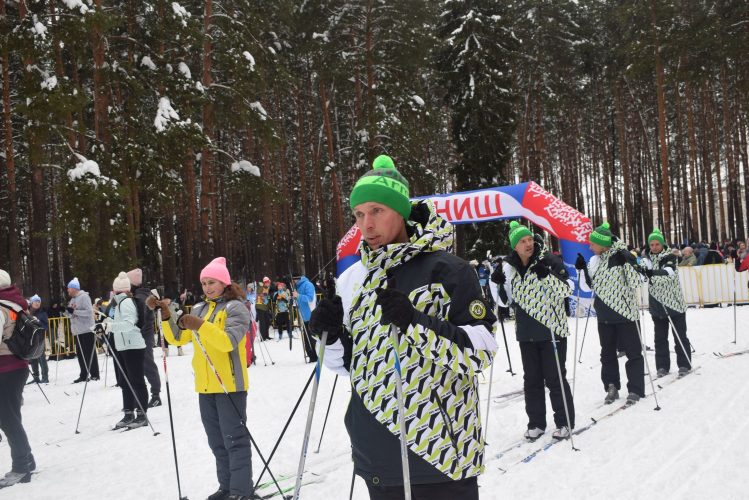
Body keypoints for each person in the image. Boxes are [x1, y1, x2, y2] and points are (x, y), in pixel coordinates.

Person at [309, 155, 497, 500]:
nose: (366, 224)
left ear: (401, 211)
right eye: (359, 214)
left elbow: (481, 351)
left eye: (377, 210)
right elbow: (350, 366)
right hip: (376, 454)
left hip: (440, 455)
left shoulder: (449, 270)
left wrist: (415, 323)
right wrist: (331, 336)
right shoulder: (354, 278)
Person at [151, 257, 254, 500]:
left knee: (234, 440)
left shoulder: (236, 308)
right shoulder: (199, 308)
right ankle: (227, 487)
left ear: (224, 283)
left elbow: (228, 342)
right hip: (206, 387)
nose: (207, 287)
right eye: (204, 283)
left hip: (229, 385)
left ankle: (241, 491)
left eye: (212, 282)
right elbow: (178, 338)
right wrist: (166, 315)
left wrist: (200, 326)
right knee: (217, 441)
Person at [490, 222, 575, 441]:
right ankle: (536, 423)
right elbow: (506, 302)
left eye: (529, 239)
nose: (528, 244)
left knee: (555, 378)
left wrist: (547, 276)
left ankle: (564, 421)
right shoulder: (509, 268)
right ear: (514, 246)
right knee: (532, 380)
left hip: (551, 330)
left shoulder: (548, 260)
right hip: (526, 332)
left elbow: (567, 290)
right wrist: (497, 284)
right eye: (522, 241)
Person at [576, 221, 645, 405]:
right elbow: (587, 287)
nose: (590, 246)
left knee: (633, 353)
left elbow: (637, 282)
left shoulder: (622, 256)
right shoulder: (594, 261)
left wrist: (629, 262)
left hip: (626, 314)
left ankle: (636, 389)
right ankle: (611, 386)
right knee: (607, 354)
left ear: (603, 244)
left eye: (592, 243)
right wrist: (582, 270)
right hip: (604, 315)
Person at [0, 269, 36, 487]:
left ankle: (21, 467)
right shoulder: (16, 303)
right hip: (18, 366)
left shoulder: (1, 307)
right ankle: (27, 460)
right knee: (11, 416)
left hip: (6, 368)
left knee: (7, 418)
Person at [641, 229, 692, 377]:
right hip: (657, 304)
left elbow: (668, 274)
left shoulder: (670, 256)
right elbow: (643, 276)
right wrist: (646, 273)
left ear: (662, 244)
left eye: (657, 244)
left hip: (674, 303)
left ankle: (684, 364)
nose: (654, 247)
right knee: (660, 338)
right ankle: (662, 366)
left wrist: (651, 274)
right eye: (652, 244)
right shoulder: (646, 258)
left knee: (680, 336)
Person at [110, 272, 149, 429]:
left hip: (133, 346)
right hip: (123, 346)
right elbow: (119, 323)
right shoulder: (119, 303)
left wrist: (109, 326)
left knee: (136, 381)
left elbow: (128, 324)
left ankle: (141, 414)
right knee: (125, 381)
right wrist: (105, 323)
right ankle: (128, 413)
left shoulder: (125, 302)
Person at [127, 268, 162, 408]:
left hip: (144, 336)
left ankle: (156, 395)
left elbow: (142, 319)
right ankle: (144, 395)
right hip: (140, 335)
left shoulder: (141, 297)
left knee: (147, 365)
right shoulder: (138, 295)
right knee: (141, 366)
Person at [66, 277, 100, 383]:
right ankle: (84, 374)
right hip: (77, 330)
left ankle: (95, 374)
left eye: (69, 288)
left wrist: (74, 312)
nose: (67, 290)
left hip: (86, 329)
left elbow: (89, 312)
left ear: (74, 288)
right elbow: (71, 314)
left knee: (89, 353)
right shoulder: (72, 300)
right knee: (80, 354)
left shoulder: (84, 297)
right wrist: (67, 312)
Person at [293, 274, 318, 363]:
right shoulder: (297, 287)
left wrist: (298, 296)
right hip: (304, 317)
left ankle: (316, 355)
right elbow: (299, 300)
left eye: (294, 279)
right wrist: (294, 298)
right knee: (306, 339)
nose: (293, 281)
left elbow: (310, 298)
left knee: (312, 338)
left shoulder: (308, 284)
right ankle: (312, 356)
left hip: (311, 315)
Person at [28, 295, 49, 384]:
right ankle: (36, 377)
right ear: (31, 303)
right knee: (32, 358)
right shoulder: (27, 312)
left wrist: (38, 322)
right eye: (35, 301)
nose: (37, 303)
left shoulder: (42, 313)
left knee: (41, 358)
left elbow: (46, 326)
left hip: (39, 338)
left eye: (39, 302)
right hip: (30, 338)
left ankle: (45, 377)